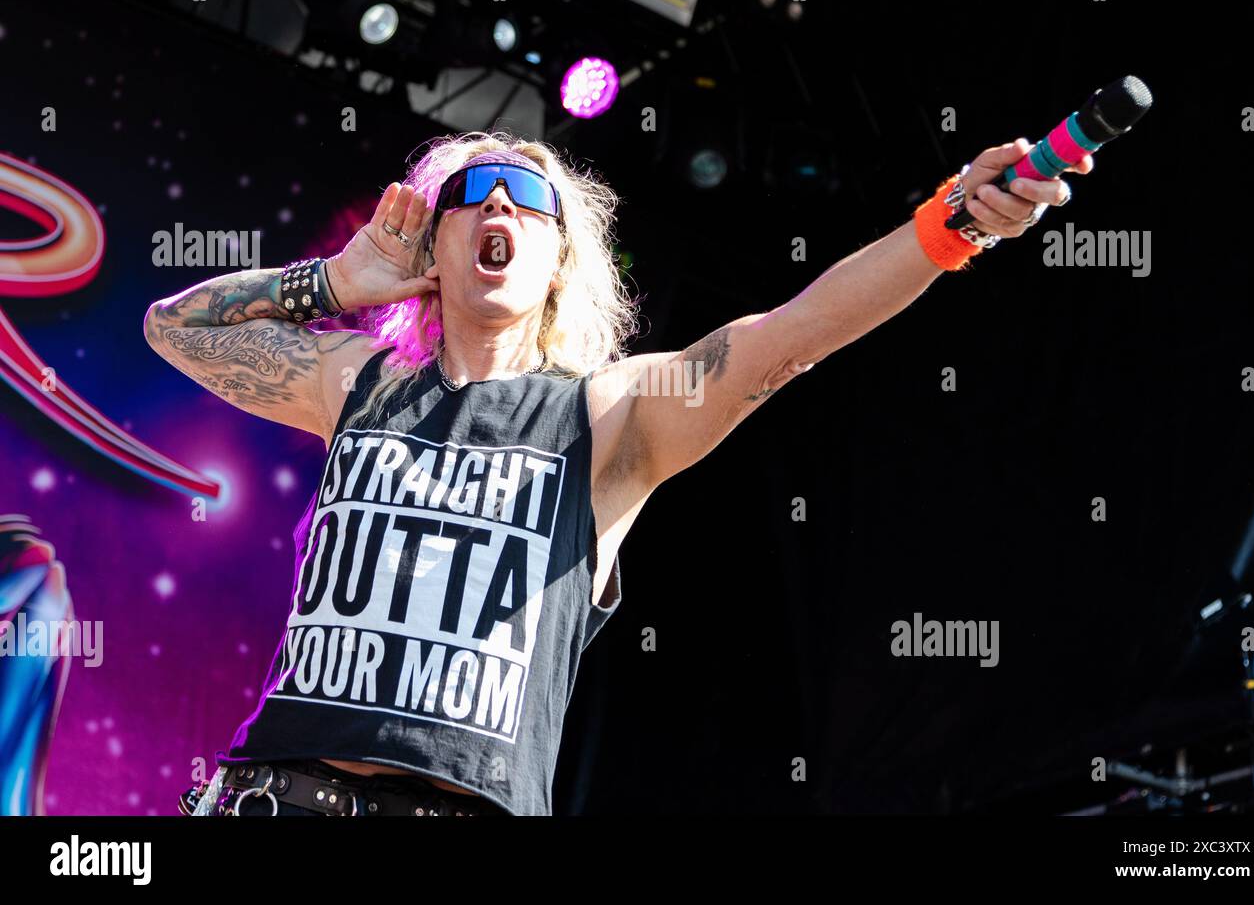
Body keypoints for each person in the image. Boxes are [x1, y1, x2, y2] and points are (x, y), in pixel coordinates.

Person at [145, 130, 1092, 816]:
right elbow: (170, 326)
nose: (501, 206)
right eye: (473, 189)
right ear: (433, 243)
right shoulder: (357, 383)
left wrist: (954, 222)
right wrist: (335, 286)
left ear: (560, 259)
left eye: (531, 200)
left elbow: (784, 342)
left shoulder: (610, 413)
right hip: (279, 795)